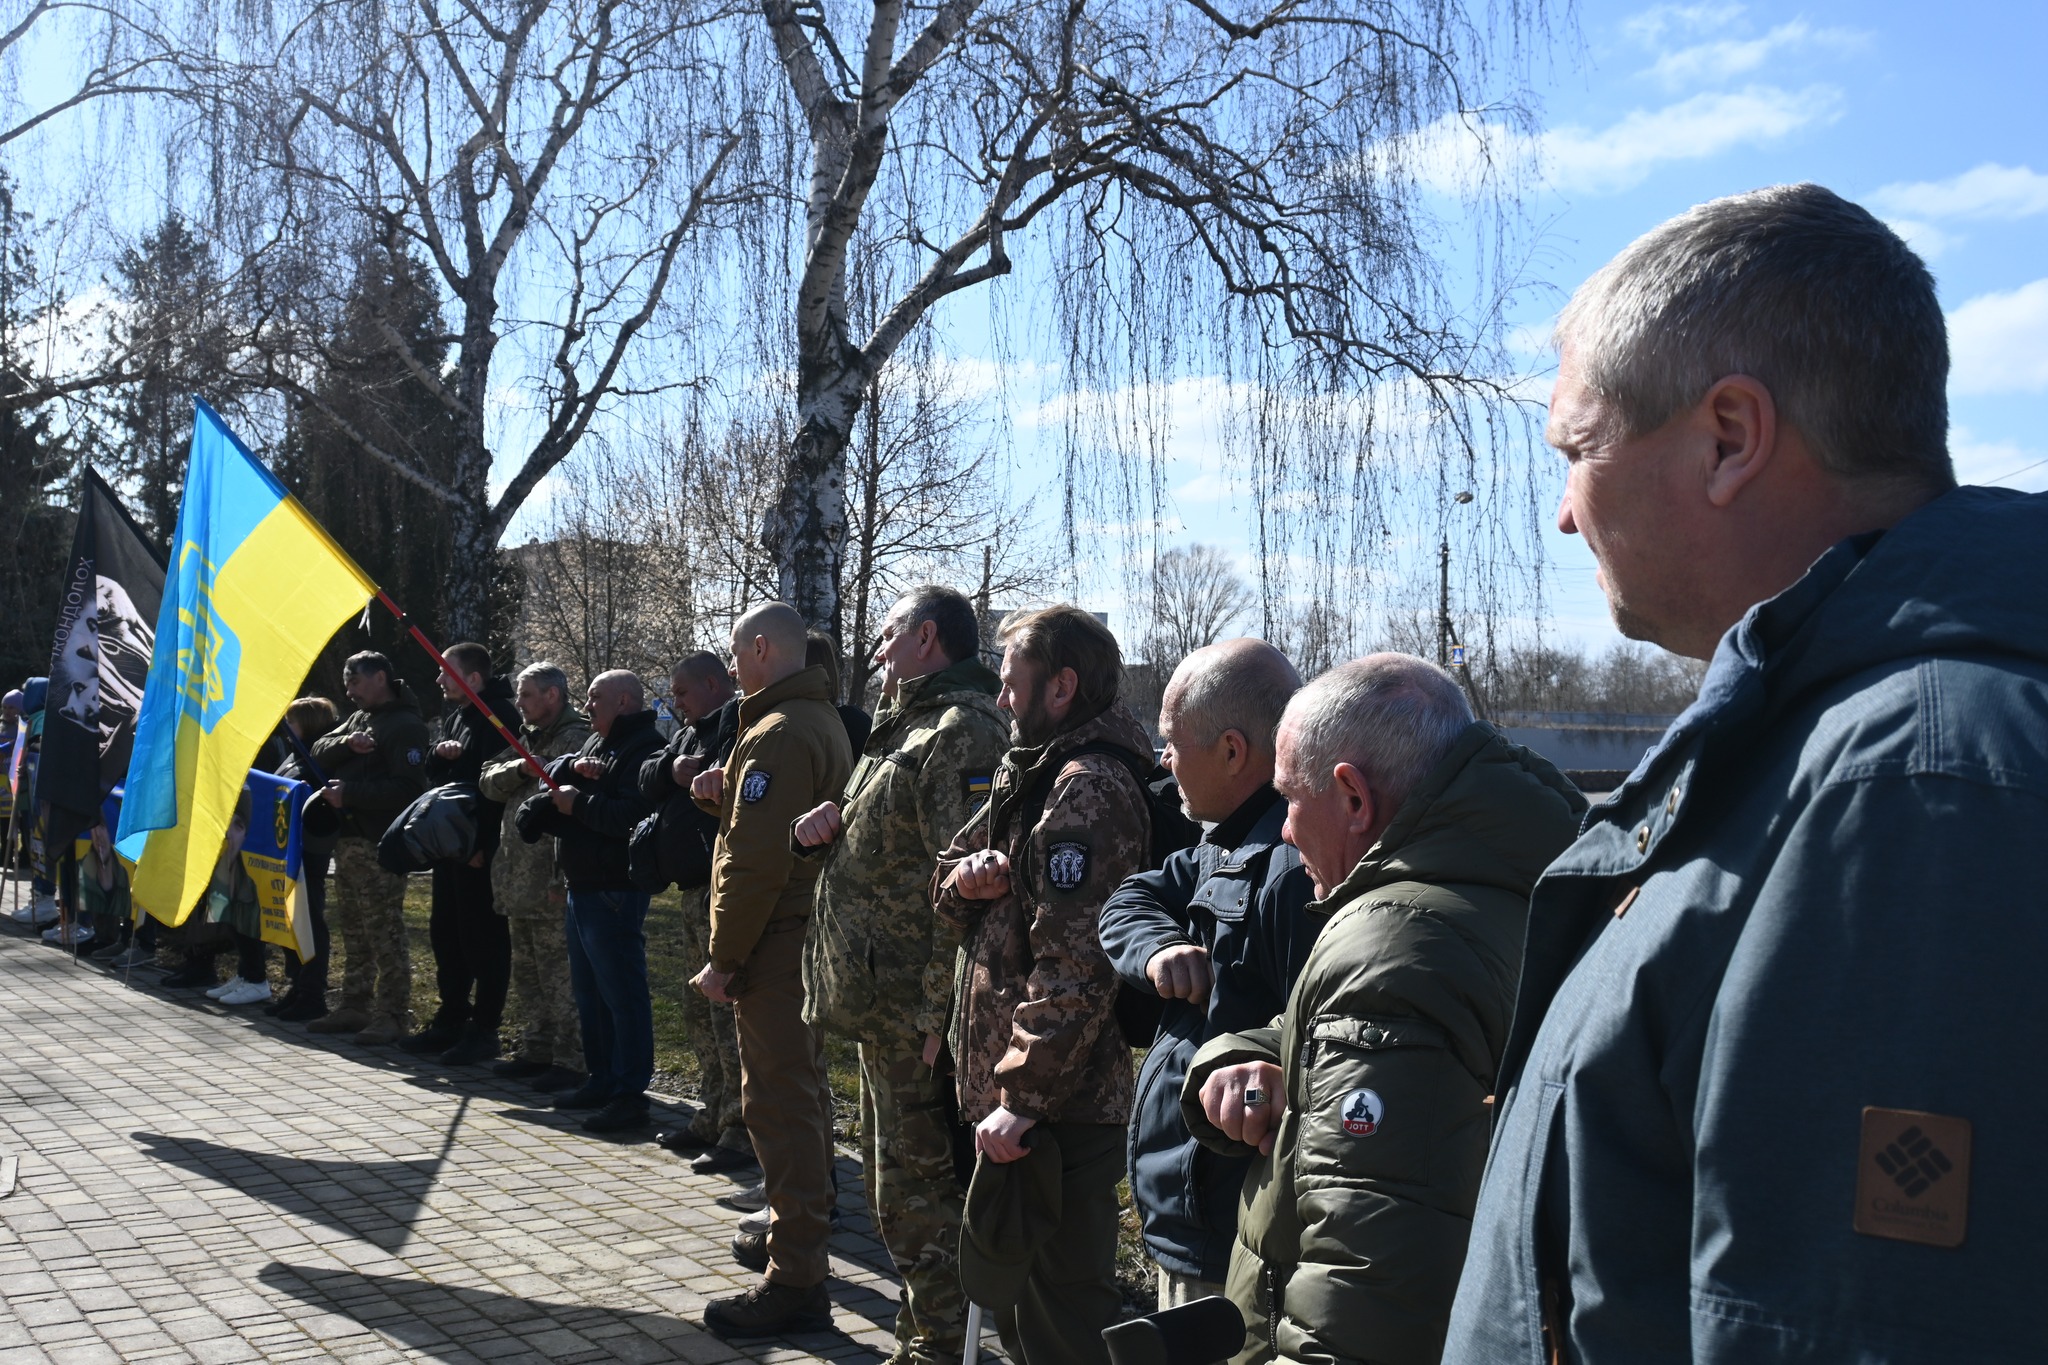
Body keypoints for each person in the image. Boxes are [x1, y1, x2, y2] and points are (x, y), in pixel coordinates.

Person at [1446, 186, 2048, 1363]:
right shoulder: (1820, 751)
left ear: (1728, 438)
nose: (1564, 515)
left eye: (1577, 448)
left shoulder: (1914, 788)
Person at [1182, 656, 1583, 1364]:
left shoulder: (1395, 949)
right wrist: (1250, 1053)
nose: (1282, 831)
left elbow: (1365, 1293)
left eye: (1290, 800)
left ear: (1354, 799)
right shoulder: (1509, 879)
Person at [932, 604, 1155, 1365]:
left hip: (1056, 1113)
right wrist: (966, 881)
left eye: (1010, 683)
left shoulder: (1085, 789)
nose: (1000, 699)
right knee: (1024, 1321)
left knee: (1063, 1324)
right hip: (1015, 1110)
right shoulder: (1025, 772)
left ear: (1060, 686)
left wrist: (1021, 1098)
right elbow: (944, 880)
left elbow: (1077, 969)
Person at [791, 586, 1009, 1363]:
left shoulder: (962, 731)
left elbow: (972, 889)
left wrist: (936, 1016)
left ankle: (942, 1346)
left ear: (926, 637)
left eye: (888, 635)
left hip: (912, 1014)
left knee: (921, 1197)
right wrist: (827, 827)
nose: (877, 651)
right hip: (878, 1005)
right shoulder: (905, 725)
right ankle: (923, 1334)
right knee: (895, 1196)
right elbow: (892, 848)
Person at [1099, 639, 1319, 1308]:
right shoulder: (1223, 840)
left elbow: (1313, 1053)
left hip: (1235, 1230)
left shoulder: (1292, 869)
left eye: (1173, 740)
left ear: (1231, 751)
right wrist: (1161, 946)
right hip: (1198, 1215)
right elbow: (1130, 899)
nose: (1164, 759)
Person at [689, 602, 853, 1339]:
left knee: (779, 1108)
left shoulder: (780, 733)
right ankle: (795, 1235)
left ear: (761, 648)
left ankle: (795, 1279)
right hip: (800, 935)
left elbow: (756, 863)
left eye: (733, 651)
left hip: (776, 944)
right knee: (802, 1098)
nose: (729, 667)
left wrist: (724, 960)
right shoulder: (808, 721)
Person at [521, 669, 663, 1131]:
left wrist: (577, 804)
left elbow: (632, 817)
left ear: (623, 701)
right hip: (582, 885)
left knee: (621, 992)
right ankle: (600, 1078)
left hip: (615, 888)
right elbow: (555, 783)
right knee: (591, 993)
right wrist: (570, 776)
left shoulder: (643, 748)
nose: (586, 706)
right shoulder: (595, 744)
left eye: (595, 698)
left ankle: (630, 1093)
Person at [637, 652, 751, 1169]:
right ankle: (710, 1112)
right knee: (698, 1011)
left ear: (712, 684)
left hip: (720, 889)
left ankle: (740, 1128)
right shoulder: (687, 732)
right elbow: (646, 777)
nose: (676, 702)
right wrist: (672, 767)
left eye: (682, 692)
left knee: (727, 1012)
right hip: (689, 891)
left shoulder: (738, 723)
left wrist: (700, 772)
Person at [402, 643, 520, 1065]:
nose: (438, 680)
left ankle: (485, 1028)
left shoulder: (500, 716)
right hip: (449, 847)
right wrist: (438, 753)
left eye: (445, 672)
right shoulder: (457, 716)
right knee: (446, 934)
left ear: (473, 679)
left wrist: (483, 847)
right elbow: (436, 779)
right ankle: (451, 1015)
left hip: (477, 849)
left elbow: (497, 791)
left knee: (482, 940)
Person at [305, 652, 431, 1046]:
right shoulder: (362, 719)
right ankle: (354, 1004)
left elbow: (409, 790)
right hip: (348, 842)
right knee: (356, 929)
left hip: (379, 843)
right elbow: (319, 750)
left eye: (354, 682)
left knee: (384, 930)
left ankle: (392, 1013)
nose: (348, 691)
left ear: (379, 678)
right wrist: (347, 741)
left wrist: (352, 793)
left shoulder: (405, 726)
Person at [479, 663, 592, 1094]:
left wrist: (560, 881)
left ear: (552, 696)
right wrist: (521, 771)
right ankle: (537, 1048)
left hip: (549, 879)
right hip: (517, 880)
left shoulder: (574, 739)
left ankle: (571, 1058)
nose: (520, 704)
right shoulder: (527, 739)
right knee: (527, 973)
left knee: (558, 975)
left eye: (527, 696)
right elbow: (488, 780)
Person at [266, 696, 343, 1021]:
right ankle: (296, 985)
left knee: (309, 919)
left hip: (308, 851)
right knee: (290, 918)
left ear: (307, 725)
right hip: (284, 850)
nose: (287, 729)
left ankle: (312, 992)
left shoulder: (318, 760)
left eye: (292, 722)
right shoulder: (296, 756)